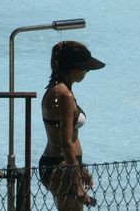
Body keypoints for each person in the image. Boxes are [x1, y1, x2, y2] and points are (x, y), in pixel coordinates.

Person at [39, 41, 105, 210]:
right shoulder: (64, 95)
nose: (87, 71)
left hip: (65, 163)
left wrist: (80, 169)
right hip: (61, 165)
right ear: (73, 68)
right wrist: (77, 183)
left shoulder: (56, 89)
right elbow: (66, 143)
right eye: (85, 67)